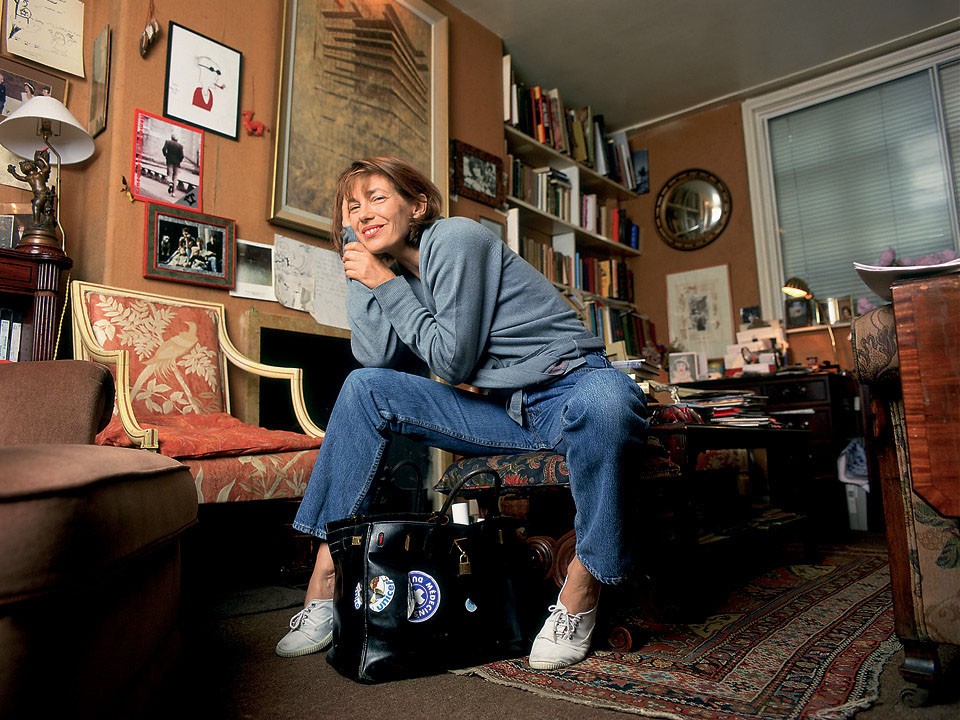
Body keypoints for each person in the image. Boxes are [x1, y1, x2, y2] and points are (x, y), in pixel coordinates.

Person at [275, 156, 649, 670]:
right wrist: (363, 270)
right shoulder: (393, 274)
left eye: (377, 198)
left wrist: (382, 282)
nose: (363, 213)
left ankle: (582, 589)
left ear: (417, 206)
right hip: (506, 411)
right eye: (351, 209)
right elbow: (375, 357)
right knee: (364, 388)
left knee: (609, 403)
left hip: (571, 387)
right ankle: (327, 576)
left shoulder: (455, 239)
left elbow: (453, 361)